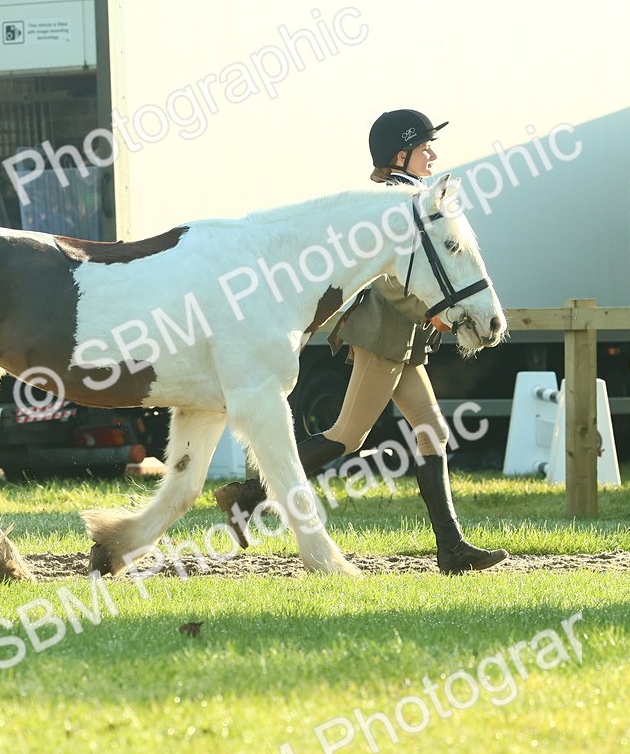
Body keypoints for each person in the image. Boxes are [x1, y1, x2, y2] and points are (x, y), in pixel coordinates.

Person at [214, 109, 508, 575]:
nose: (433, 154)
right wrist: (437, 314)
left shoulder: (412, 201)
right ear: (400, 154)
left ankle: (452, 549)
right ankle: (248, 494)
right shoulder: (393, 204)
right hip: (383, 337)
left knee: (432, 432)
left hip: (403, 342)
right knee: (347, 438)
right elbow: (390, 280)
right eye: (425, 146)